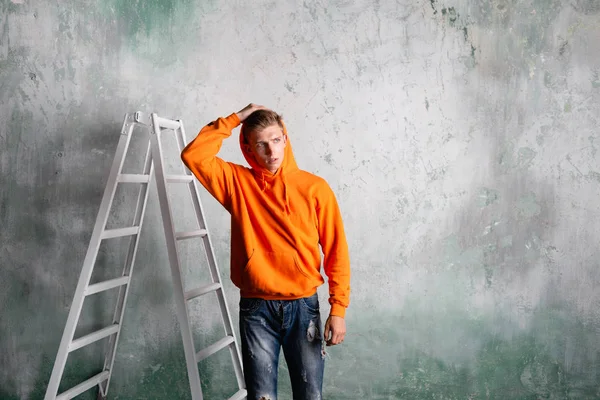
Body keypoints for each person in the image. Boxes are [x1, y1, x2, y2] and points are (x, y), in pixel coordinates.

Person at [181, 103, 351, 400]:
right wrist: (237, 118)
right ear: (248, 149)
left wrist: (338, 309)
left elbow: (336, 250)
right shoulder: (237, 184)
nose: (271, 151)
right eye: (260, 144)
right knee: (261, 397)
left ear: (285, 138)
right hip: (256, 309)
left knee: (310, 395)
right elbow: (193, 155)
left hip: (303, 307)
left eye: (275, 140)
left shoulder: (315, 188)